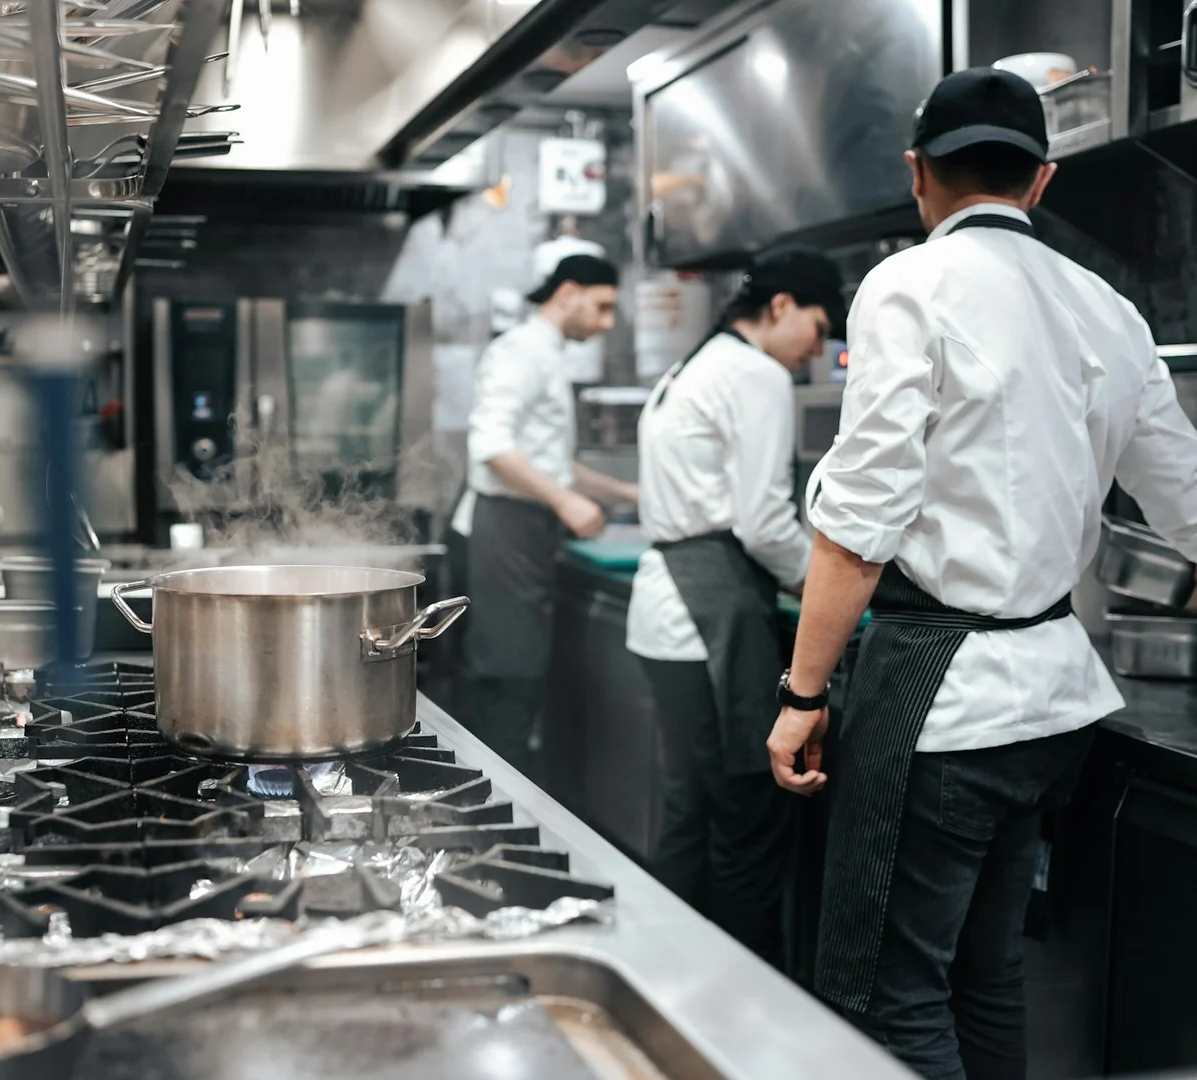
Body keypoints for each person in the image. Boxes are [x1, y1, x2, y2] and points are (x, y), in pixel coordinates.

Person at [766, 68, 1197, 1079]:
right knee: (985, 977)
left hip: (946, 710)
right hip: (1056, 707)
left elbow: (859, 527)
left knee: (889, 998)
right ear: (1042, 182)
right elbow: (1187, 502)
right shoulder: (1108, 308)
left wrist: (802, 693)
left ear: (918, 174)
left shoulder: (911, 286)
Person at [626, 248, 845, 964]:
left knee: (690, 811)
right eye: (817, 327)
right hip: (708, 615)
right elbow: (764, 522)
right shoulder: (755, 373)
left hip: (667, 613)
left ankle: (668, 980)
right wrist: (829, 584)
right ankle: (741, 1006)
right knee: (746, 822)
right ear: (780, 306)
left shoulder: (698, 361)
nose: (818, 348)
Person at [455, 253, 639, 773]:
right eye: (601, 307)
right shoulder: (520, 351)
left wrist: (621, 490)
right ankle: (490, 806)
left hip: (524, 530)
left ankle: (502, 795)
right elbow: (492, 445)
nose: (605, 323)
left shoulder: (547, 353)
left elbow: (550, 461)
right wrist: (564, 500)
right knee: (507, 675)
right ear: (568, 292)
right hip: (504, 529)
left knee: (519, 672)